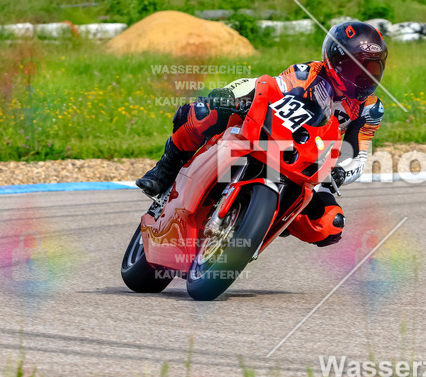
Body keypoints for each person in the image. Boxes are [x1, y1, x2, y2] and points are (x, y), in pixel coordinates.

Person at [136, 21, 388, 247]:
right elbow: (265, 85)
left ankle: (270, 218)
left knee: (330, 225)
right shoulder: (307, 73)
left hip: (310, 167)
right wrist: (230, 96)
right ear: (335, 61)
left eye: (372, 69)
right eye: (357, 69)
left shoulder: (370, 109)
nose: (365, 77)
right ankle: (166, 168)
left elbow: (358, 156)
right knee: (203, 112)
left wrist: (342, 170)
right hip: (269, 138)